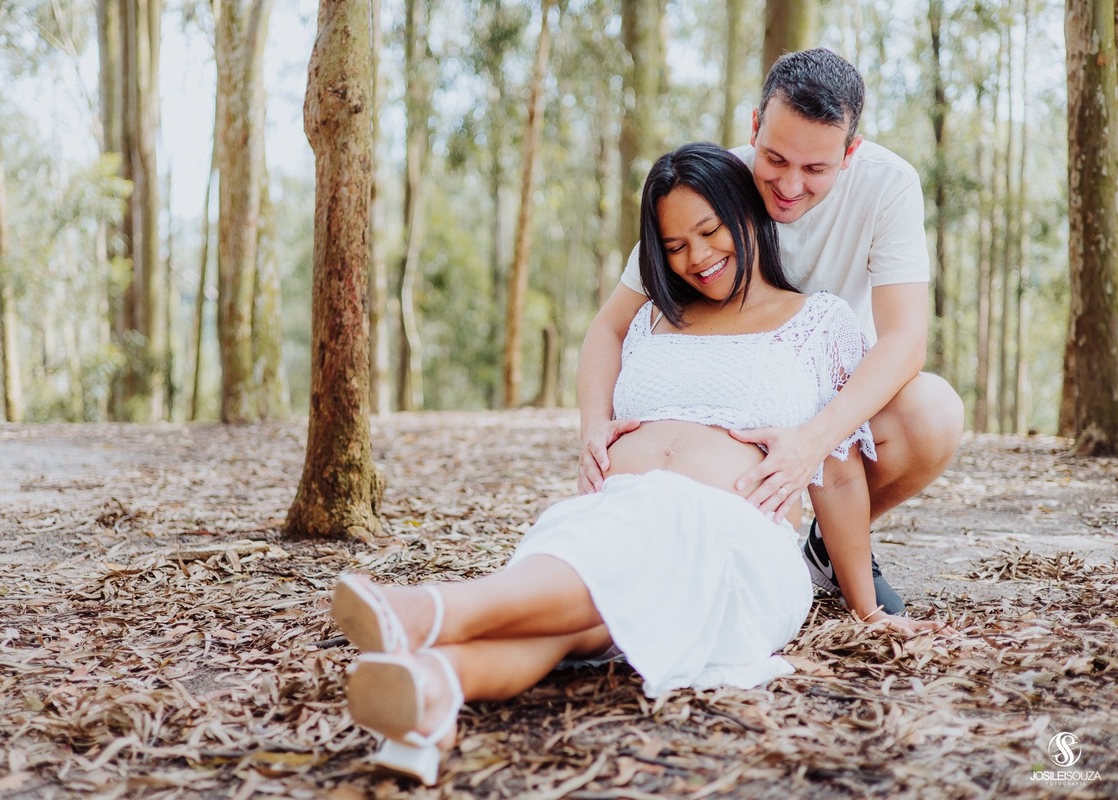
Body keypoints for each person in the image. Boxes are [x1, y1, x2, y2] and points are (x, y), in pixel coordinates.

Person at [330, 144, 947, 786]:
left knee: (621, 560)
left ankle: (427, 611)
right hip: (611, 519)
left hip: (730, 545)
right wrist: (594, 433)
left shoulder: (820, 324)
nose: (698, 257)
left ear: (747, 216)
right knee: (586, 626)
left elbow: (841, 476)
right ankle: (434, 686)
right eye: (675, 245)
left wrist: (869, 609)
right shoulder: (651, 320)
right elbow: (602, 339)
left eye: (709, 232)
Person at [577, 49, 964, 617]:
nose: (787, 185)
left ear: (849, 153)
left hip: (833, 395)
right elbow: (609, 327)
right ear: (755, 126)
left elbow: (904, 339)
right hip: (723, 420)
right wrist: (593, 427)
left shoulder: (888, 186)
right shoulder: (710, 187)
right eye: (775, 158)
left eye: (815, 170)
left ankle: (831, 544)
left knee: (932, 411)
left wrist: (813, 438)